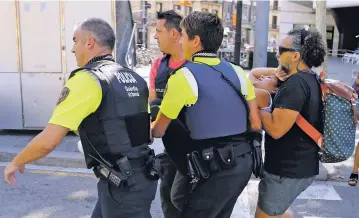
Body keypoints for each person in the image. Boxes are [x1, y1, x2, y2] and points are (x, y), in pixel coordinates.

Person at [4, 18, 157, 218]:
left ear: (90, 42)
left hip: (123, 186)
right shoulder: (134, 78)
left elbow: (48, 141)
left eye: (75, 41)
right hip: (139, 177)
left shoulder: (87, 80)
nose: (73, 49)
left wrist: (17, 161)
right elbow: (145, 134)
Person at [151, 11, 262, 217]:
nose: (180, 40)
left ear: (196, 41)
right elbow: (255, 123)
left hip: (213, 166)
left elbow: (159, 130)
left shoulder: (183, 76)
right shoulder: (238, 72)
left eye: (183, 35)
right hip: (243, 164)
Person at [255, 28, 326, 218]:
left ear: (295, 55)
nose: (277, 54)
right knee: (280, 213)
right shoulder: (310, 78)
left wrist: (254, 105)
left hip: (287, 171)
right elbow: (254, 74)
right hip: (297, 167)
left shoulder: (296, 84)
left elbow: (276, 129)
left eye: (281, 49)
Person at [149, 10, 185, 218]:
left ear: (174, 34)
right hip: (167, 147)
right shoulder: (158, 65)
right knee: (168, 199)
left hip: (193, 147)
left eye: (159, 30)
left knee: (182, 199)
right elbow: (152, 105)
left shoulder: (196, 65)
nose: (155, 36)